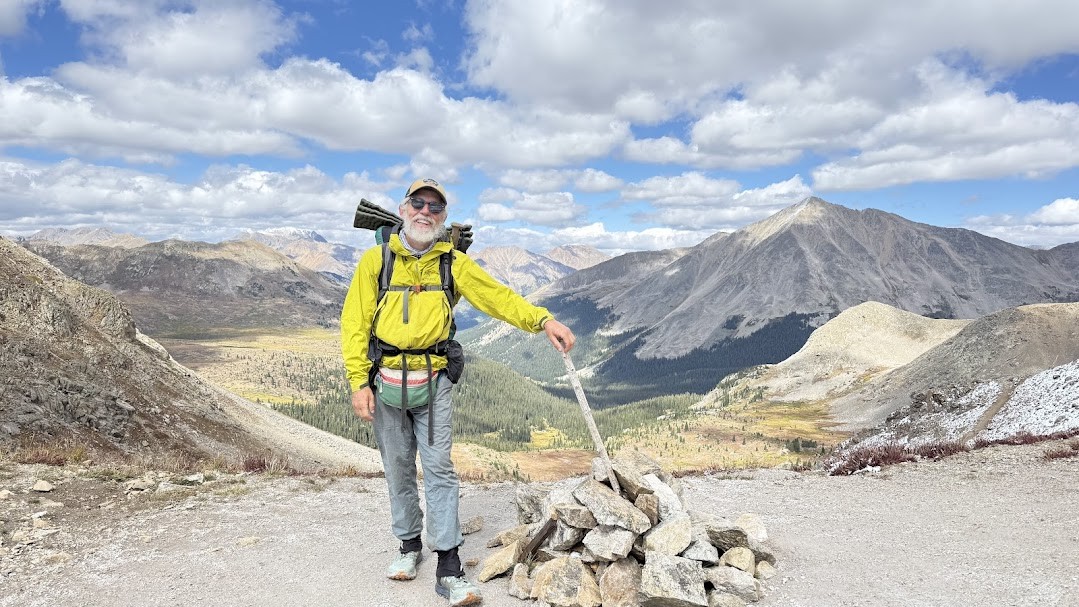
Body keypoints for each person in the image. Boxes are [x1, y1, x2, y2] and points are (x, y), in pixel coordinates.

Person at [341, 177, 575, 606]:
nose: (425, 212)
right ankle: (409, 547)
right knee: (397, 468)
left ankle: (448, 564)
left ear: (443, 217)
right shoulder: (376, 262)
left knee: (440, 470)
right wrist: (359, 381)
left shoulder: (452, 263)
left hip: (434, 381)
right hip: (385, 379)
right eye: (419, 203)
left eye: (435, 207)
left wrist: (543, 320)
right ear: (404, 208)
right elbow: (354, 323)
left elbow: (498, 298)